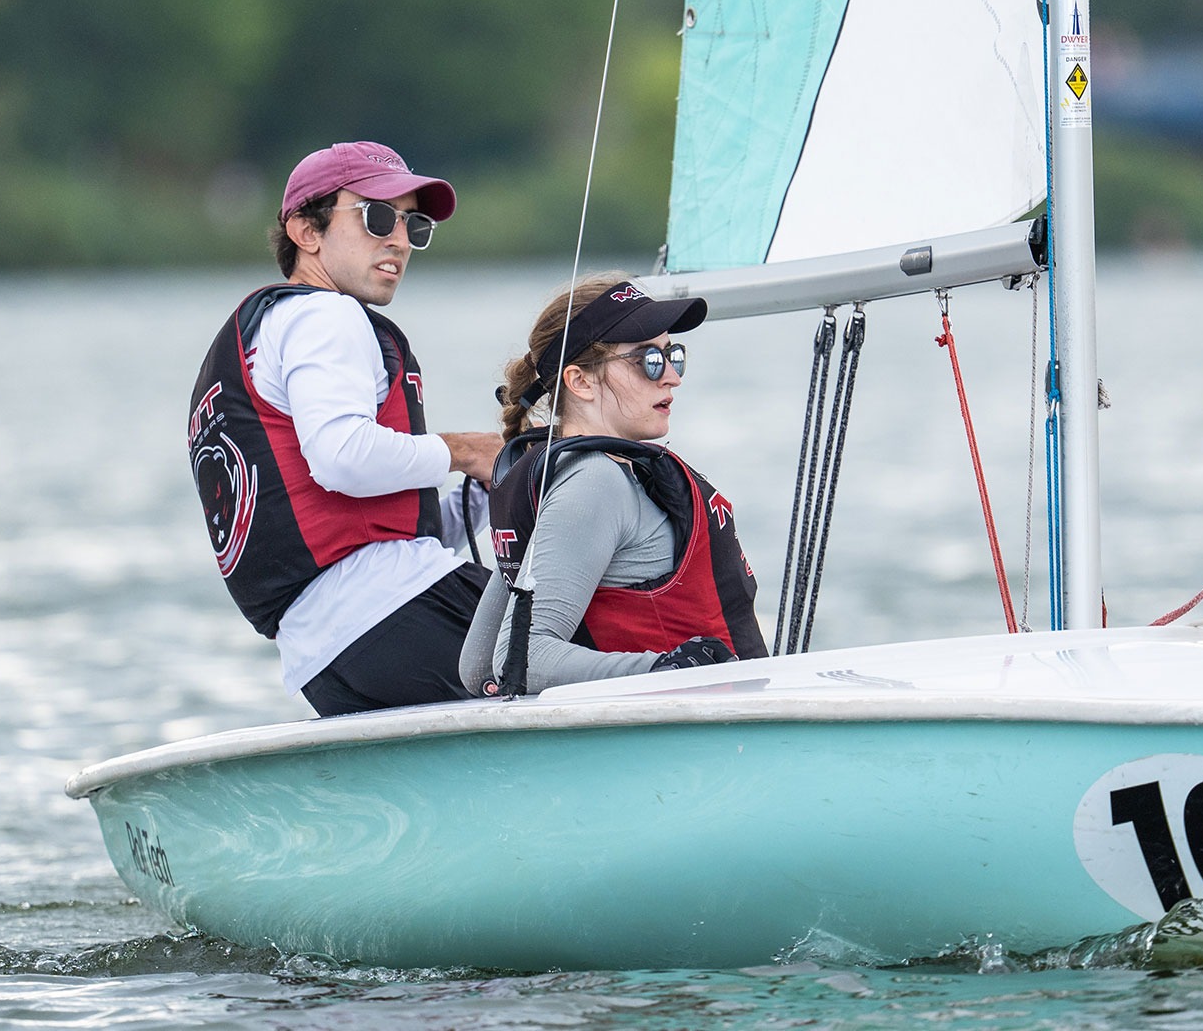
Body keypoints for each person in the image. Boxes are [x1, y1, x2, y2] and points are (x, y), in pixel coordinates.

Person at [187, 140, 502, 717]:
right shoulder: (324, 314)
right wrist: (467, 450)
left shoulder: (263, 330)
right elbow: (343, 460)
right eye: (378, 217)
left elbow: (375, 528)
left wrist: (490, 482)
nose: (401, 241)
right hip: (396, 613)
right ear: (306, 231)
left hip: (325, 659)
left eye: (415, 225)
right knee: (613, 650)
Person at [460, 275, 768, 697]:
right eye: (648, 360)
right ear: (581, 381)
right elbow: (520, 659)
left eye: (673, 356)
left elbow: (476, 665)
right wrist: (665, 669)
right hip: (699, 742)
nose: (672, 377)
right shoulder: (595, 483)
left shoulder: (568, 478)